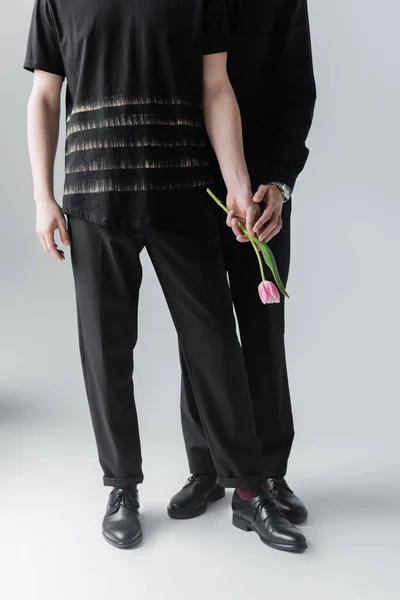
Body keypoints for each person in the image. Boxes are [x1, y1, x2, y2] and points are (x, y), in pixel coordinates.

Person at [24, 0, 308, 552]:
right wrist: (41, 196)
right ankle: (122, 488)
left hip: (181, 194)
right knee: (105, 352)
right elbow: (44, 94)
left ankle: (249, 492)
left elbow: (217, 88)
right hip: (93, 195)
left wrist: (238, 183)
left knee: (214, 345)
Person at [168, 0, 317, 524]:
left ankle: (271, 471)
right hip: (185, 184)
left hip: (262, 192)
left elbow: (299, 92)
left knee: (261, 327)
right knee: (201, 329)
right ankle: (206, 466)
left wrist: (278, 183)